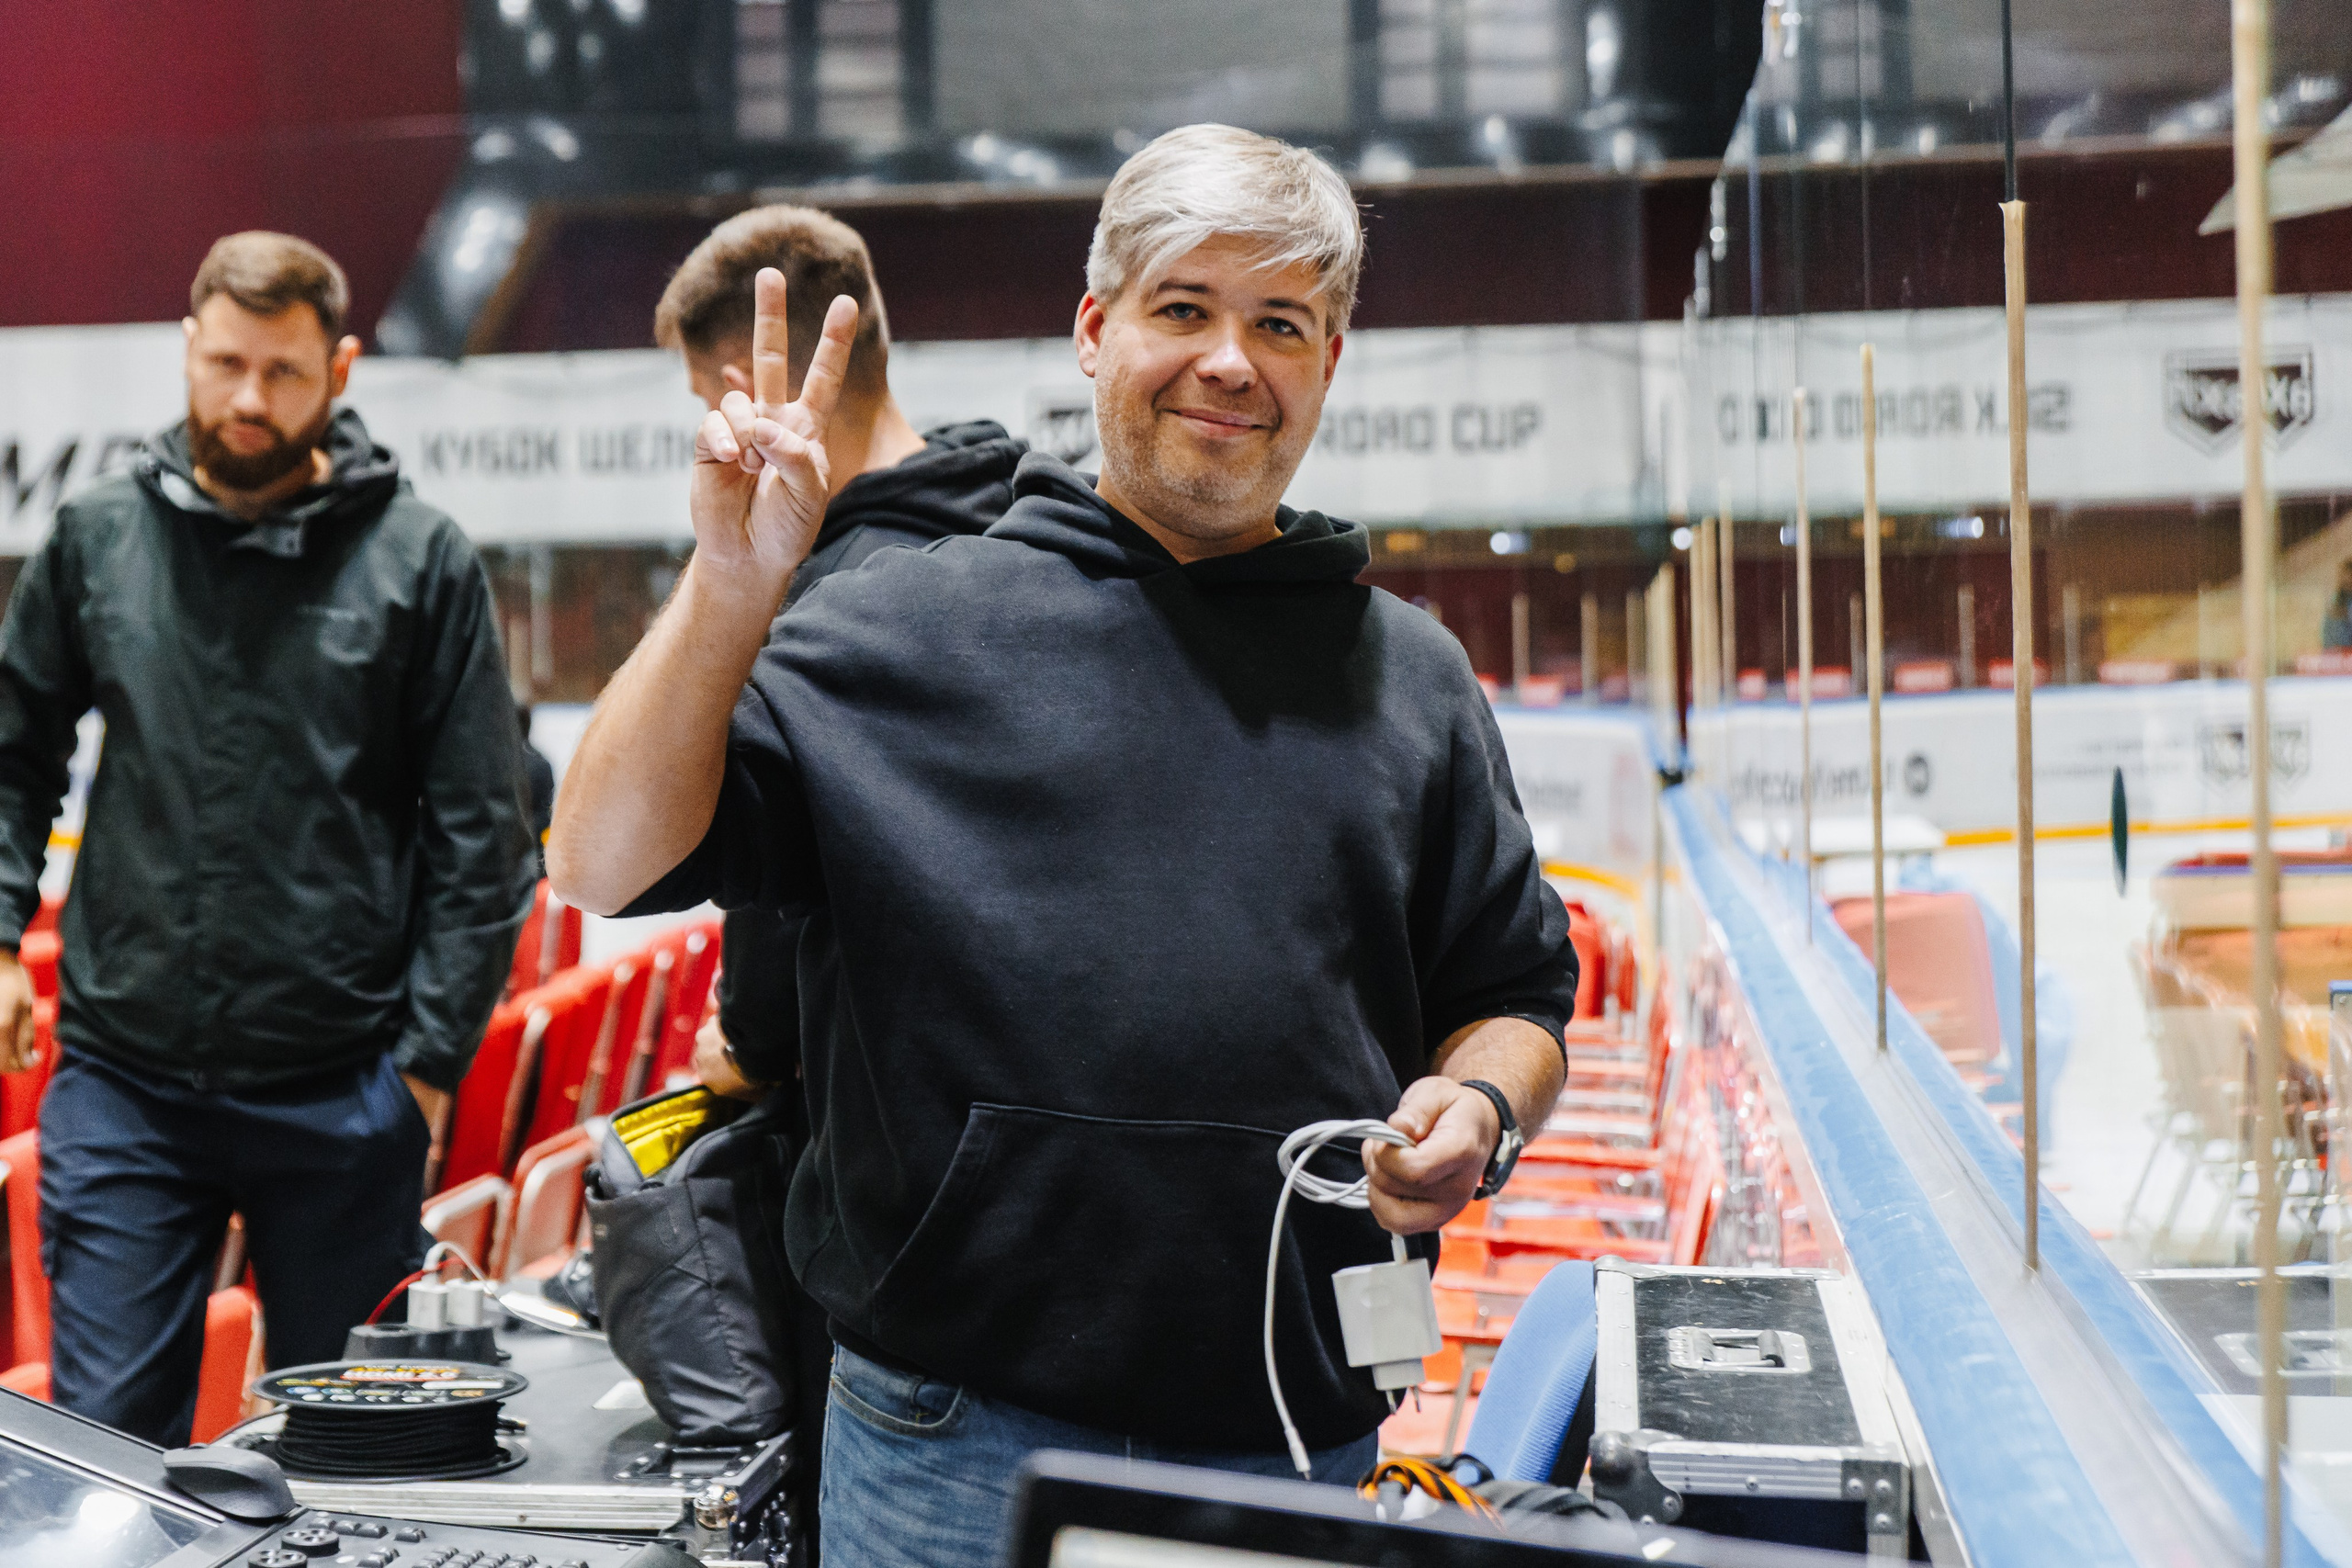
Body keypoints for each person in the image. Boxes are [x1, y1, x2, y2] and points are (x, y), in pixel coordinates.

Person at [548, 125, 1574, 1568]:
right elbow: (595, 860)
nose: (1231, 359)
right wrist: (728, 585)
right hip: (950, 1448)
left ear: (1328, 363)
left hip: (1302, 1442)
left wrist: (1481, 1109)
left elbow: (1516, 996)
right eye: (1182, 308)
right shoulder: (894, 628)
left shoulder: (1412, 678)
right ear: (1094, 333)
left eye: (1280, 322)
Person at [0, 232, 536, 1445]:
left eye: (283, 370)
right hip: (126, 1085)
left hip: (343, 1092)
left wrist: (424, 1067)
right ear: (187, 349)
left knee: (347, 1469)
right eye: (227, 362)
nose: (250, 397)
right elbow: (13, 750)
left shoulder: (419, 558)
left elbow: (482, 835)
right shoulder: (97, 537)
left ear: (340, 368)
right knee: (102, 1458)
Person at [653, 202, 1026, 1560]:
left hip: (881, 1214)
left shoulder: (817, 599)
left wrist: (743, 1044)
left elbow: (767, 936)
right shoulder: (1036, 533)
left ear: (740, 388)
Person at [2324, 560, 2352, 650]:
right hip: (2337, 654)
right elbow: (2327, 629)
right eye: (2345, 576)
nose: (2347, 580)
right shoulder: (2337, 598)